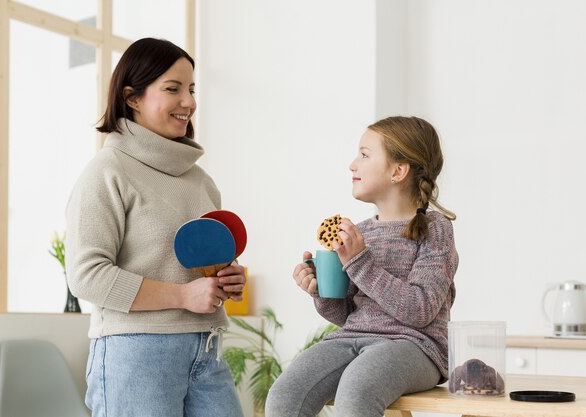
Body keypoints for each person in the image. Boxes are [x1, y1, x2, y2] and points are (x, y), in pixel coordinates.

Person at [65, 38, 245, 417]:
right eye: (173, 88)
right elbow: (86, 276)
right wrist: (183, 296)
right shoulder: (107, 171)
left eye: (192, 89)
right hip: (135, 354)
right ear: (132, 97)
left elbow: (196, 265)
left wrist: (226, 279)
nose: (190, 102)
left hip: (206, 349)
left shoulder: (202, 181)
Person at [266, 116, 459, 417]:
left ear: (398, 171)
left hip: (415, 345)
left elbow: (420, 310)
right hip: (352, 338)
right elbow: (346, 315)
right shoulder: (361, 232)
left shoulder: (435, 230)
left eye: (364, 155)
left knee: (357, 389)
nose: (352, 165)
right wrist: (322, 291)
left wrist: (359, 261)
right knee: (285, 393)